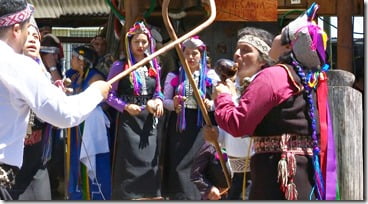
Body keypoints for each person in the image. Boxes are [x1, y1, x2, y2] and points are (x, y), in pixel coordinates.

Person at [206, 3, 337, 200]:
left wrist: (223, 96)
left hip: (276, 176)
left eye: (281, 33)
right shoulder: (310, 79)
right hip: (302, 172)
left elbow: (238, 123)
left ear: (287, 46)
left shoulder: (274, 75)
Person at [0, 0, 111, 200]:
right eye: (28, 31)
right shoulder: (18, 65)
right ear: (16, 29)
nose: (31, 39)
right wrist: (96, 92)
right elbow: (64, 114)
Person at [106, 20, 164, 200]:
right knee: (129, 160)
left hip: (149, 119)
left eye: (144, 42)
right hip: (129, 120)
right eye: (136, 42)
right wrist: (124, 107)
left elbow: (158, 91)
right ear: (129, 43)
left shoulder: (153, 66)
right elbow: (108, 94)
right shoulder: (119, 66)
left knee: (150, 159)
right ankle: (128, 197)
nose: (140, 45)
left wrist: (159, 101)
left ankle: (150, 195)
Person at [162, 36, 217, 200]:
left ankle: (202, 194)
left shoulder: (211, 76)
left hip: (202, 124)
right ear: (182, 55)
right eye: (187, 53)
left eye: (195, 54)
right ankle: (180, 196)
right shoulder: (174, 76)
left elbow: (220, 100)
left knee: (200, 159)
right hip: (181, 124)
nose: (191, 57)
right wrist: (174, 104)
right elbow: (165, 100)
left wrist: (210, 104)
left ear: (201, 55)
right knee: (179, 161)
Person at [8, 16, 52, 200]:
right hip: (11, 163)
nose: (34, 39)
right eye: (29, 35)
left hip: (37, 160)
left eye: (37, 37)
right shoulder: (7, 74)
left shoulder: (44, 77)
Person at [65, 45, 112, 200]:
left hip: (91, 129)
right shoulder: (75, 76)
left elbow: (104, 102)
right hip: (77, 127)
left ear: (82, 61)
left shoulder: (95, 77)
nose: (71, 60)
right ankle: (77, 195)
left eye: (74, 57)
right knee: (75, 161)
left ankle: (96, 196)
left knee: (94, 162)